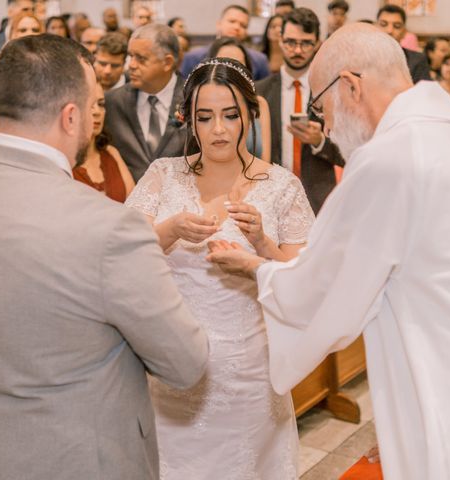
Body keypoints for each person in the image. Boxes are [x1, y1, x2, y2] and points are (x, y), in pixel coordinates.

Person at [207, 23, 450, 480]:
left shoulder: (388, 159)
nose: (326, 129)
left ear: (350, 86)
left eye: (322, 107)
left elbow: (320, 290)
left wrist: (255, 267)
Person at [0, 34, 208, 480]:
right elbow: (184, 364)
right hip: (70, 460)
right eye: (90, 108)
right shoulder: (109, 229)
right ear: (71, 116)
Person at [126, 56, 312, 479]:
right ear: (188, 120)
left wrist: (261, 245)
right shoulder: (162, 176)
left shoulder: (282, 185)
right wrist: (170, 230)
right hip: (172, 365)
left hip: (250, 369)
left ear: (251, 113)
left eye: (231, 115)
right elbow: (121, 256)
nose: (219, 130)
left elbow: (304, 280)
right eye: (205, 118)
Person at [256, 8, 345, 214]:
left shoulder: (331, 90)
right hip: (271, 196)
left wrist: (319, 141)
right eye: (291, 42)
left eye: (305, 43)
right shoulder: (260, 91)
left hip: (318, 197)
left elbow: (348, 153)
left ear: (317, 44)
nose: (297, 50)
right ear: (280, 40)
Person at [104, 24, 188, 182]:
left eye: (141, 59)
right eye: (131, 57)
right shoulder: (113, 102)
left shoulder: (192, 100)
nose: (132, 66)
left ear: (167, 62)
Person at [207, 37, 271, 161]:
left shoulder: (259, 104)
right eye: (225, 63)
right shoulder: (202, 104)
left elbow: (265, 159)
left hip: (255, 177)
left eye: (238, 64)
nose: (231, 69)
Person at [73, 82, 134, 202]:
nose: (97, 112)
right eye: (89, 104)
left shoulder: (111, 153)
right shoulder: (62, 161)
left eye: (101, 104)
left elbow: (136, 205)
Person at [180, 5, 270, 81]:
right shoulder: (192, 58)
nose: (236, 27)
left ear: (246, 32)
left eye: (243, 25)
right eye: (232, 21)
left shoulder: (259, 60)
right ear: (219, 24)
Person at [376, 4, 431, 83]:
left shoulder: (416, 60)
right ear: (375, 27)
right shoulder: (363, 57)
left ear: (404, 32)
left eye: (397, 26)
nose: (390, 30)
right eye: (383, 24)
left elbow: (422, 92)